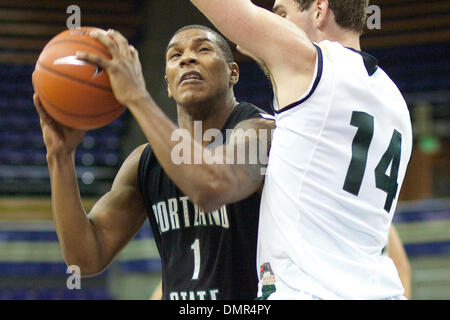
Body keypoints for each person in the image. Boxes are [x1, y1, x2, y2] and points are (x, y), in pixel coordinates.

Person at [33, 24, 275, 300]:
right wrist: (60, 156)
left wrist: (136, 96)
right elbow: (85, 257)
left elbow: (211, 185)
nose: (187, 58)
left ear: (233, 73)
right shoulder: (143, 163)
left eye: (203, 49)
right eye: (175, 56)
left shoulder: (260, 133)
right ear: (168, 85)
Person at [190, 0, 413, 299]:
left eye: (281, 15)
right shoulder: (395, 101)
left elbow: (230, 11)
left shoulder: (314, 65)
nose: (273, 22)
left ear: (319, 11)